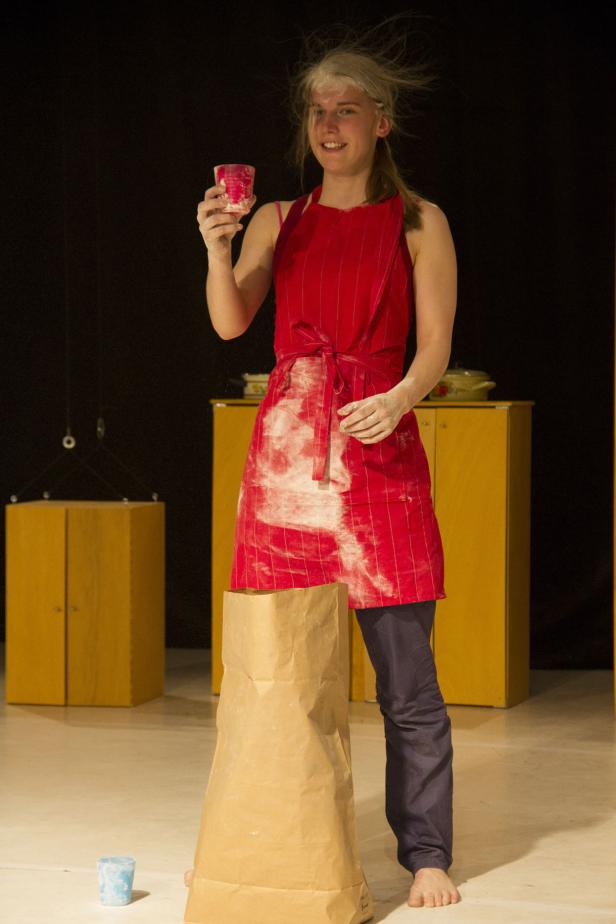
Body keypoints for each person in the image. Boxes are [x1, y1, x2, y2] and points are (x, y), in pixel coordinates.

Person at [191, 31, 459, 911]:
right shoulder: (280, 217)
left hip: (377, 448)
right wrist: (217, 250)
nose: (329, 124)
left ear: (382, 122)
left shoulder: (418, 221)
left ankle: (427, 854)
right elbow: (231, 321)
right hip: (286, 459)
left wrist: (402, 398)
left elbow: (435, 346)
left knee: (406, 681)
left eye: (347, 109)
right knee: (275, 677)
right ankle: (278, 847)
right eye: (317, 111)